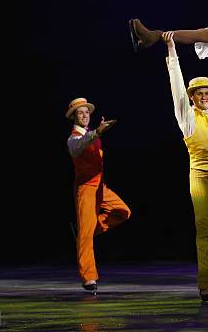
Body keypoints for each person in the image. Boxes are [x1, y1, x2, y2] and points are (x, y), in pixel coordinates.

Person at [162, 32, 208, 303]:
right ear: (192, 97)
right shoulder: (187, 115)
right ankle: (207, 285)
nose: (204, 96)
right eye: (199, 94)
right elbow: (176, 87)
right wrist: (172, 52)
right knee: (206, 229)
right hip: (201, 175)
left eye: (207, 93)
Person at [65, 98, 131, 293]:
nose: (85, 116)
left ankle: (85, 230)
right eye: (80, 113)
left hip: (101, 187)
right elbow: (78, 146)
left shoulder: (91, 135)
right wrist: (97, 132)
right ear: (74, 117)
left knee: (123, 212)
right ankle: (89, 277)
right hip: (85, 189)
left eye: (86, 112)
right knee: (86, 236)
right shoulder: (74, 138)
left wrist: (96, 133)